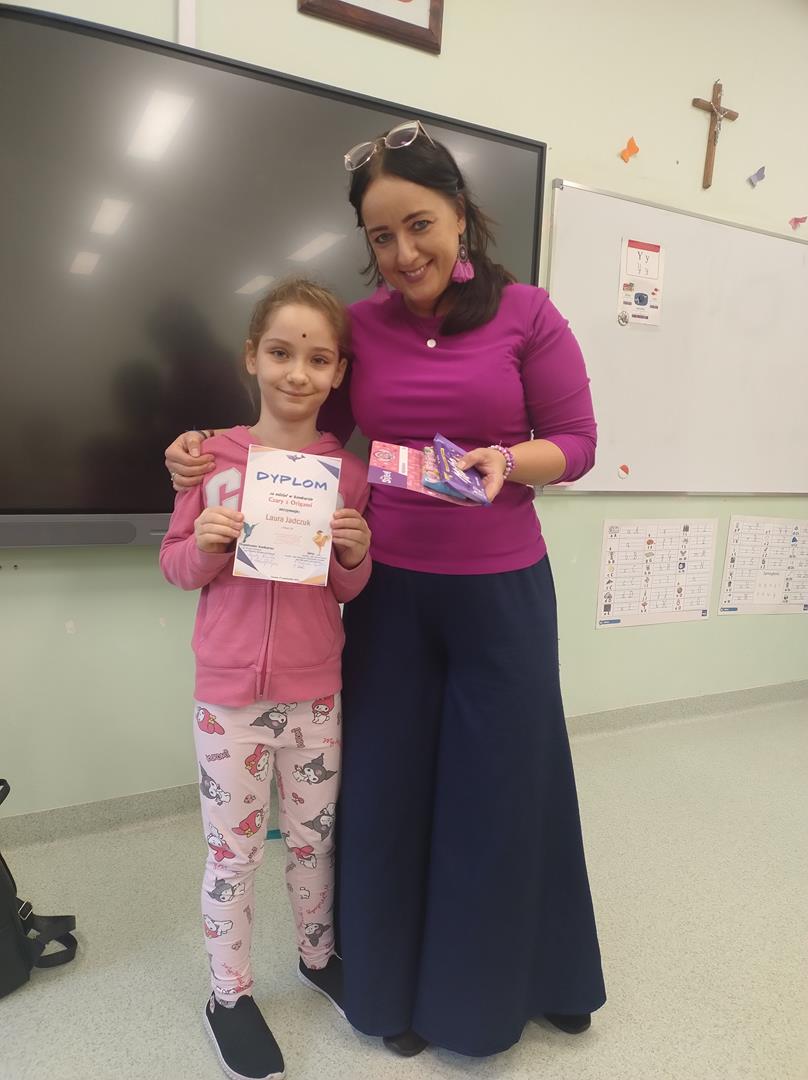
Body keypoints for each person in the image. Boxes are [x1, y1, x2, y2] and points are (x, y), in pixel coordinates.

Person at [165, 120, 606, 1060]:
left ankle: (531, 977)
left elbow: (577, 443)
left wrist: (508, 459)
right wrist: (199, 457)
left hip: (501, 593)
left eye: (419, 225)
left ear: (460, 215)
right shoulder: (359, 330)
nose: (403, 252)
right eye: (380, 236)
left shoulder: (529, 314)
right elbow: (294, 425)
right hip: (389, 593)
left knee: (505, 787)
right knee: (389, 792)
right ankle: (385, 980)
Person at [160, 278, 371, 1080]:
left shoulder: (347, 474)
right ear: (252, 356)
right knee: (234, 856)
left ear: (338, 372)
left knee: (314, 843)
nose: (297, 373)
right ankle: (228, 996)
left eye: (318, 359)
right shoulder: (209, 458)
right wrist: (206, 544)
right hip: (229, 702)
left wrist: (355, 554)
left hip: (315, 694)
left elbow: (348, 586)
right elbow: (176, 565)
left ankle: (317, 960)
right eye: (281, 352)